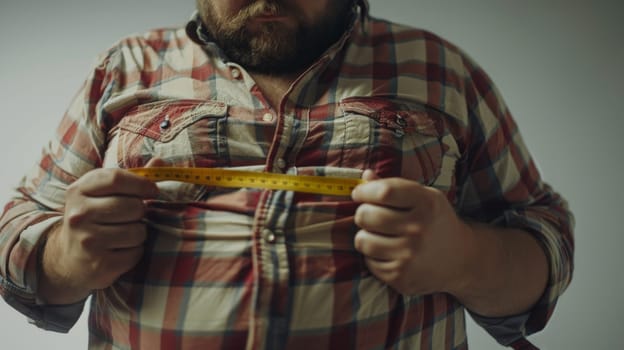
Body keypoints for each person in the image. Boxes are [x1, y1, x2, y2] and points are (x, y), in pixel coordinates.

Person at [0, 0, 574, 349]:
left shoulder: (442, 70)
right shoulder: (123, 68)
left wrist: (466, 258)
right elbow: (16, 232)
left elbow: (546, 239)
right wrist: (64, 257)